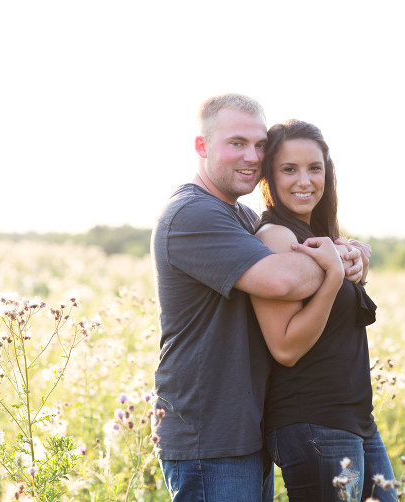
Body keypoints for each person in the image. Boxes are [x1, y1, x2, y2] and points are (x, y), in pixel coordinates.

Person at [151, 94, 367, 501]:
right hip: (209, 436)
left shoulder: (242, 217)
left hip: (243, 430)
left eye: (259, 145)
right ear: (202, 146)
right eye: (237, 143)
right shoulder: (191, 214)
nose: (252, 156)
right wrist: (340, 258)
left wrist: (348, 252)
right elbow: (282, 281)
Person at [251, 119, 397, 502]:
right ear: (269, 177)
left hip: (354, 421)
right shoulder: (276, 236)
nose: (304, 181)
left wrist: (353, 263)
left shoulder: (317, 235)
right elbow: (285, 348)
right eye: (289, 169)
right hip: (314, 422)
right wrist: (334, 276)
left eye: (314, 168)